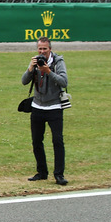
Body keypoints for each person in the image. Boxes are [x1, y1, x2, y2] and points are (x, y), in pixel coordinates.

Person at [21, 37, 68, 186]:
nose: (42, 52)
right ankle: (42, 172)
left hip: (54, 107)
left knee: (57, 141)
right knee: (36, 141)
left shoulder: (58, 62)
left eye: (45, 49)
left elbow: (64, 82)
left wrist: (48, 71)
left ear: (50, 49)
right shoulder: (35, 62)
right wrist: (30, 68)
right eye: (40, 49)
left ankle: (59, 174)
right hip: (37, 106)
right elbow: (24, 81)